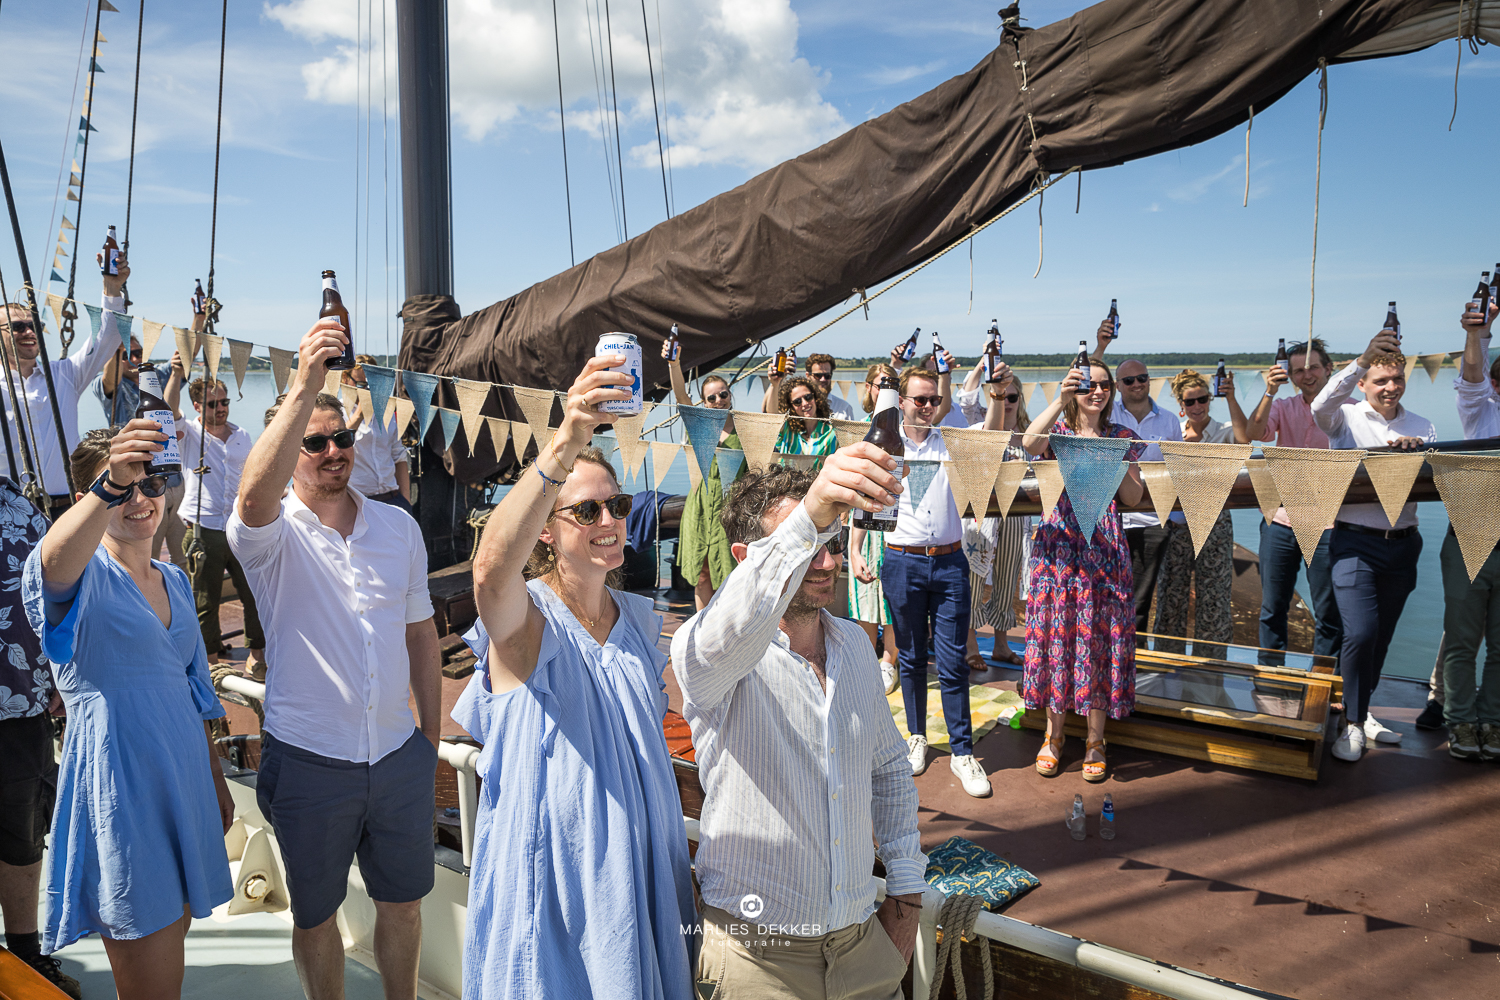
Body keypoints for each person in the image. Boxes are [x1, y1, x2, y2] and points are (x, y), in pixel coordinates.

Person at [454, 353, 695, 999]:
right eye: (585, 513)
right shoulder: (528, 621)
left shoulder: (643, 622)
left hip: (640, 875)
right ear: (546, 533)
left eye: (614, 506)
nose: (609, 521)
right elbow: (488, 574)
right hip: (558, 881)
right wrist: (567, 440)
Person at [228, 317, 441, 1000]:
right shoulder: (269, 536)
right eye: (313, 442)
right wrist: (304, 385)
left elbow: (420, 636)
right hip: (311, 762)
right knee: (315, 917)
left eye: (341, 438)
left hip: (396, 757)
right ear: (290, 449)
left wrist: (428, 740)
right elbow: (250, 498)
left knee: (404, 904)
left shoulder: (397, 527)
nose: (330, 452)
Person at [672, 457, 924, 1000]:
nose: (828, 561)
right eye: (807, 544)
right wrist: (809, 513)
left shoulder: (855, 646)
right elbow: (717, 639)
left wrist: (906, 899)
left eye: (831, 541)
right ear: (745, 558)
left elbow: (888, 769)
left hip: (862, 950)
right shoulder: (708, 651)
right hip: (754, 960)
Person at [22, 423, 234, 998]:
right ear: (89, 499)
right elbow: (50, 565)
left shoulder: (174, 579)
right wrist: (109, 485)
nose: (139, 499)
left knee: (173, 950)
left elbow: (194, 690)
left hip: (184, 783)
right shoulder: (79, 579)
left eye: (152, 483)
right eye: (119, 489)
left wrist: (215, 777)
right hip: (125, 790)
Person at [1312, 329, 1435, 763]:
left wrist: (1418, 453)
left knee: (1380, 638)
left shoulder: (1423, 427)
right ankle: (1349, 724)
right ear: (1364, 383)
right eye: (1381, 380)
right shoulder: (1345, 418)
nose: (1390, 387)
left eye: (1397, 379)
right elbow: (1319, 404)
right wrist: (1360, 360)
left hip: (1403, 544)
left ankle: (1363, 713)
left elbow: (1434, 477)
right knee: (1359, 633)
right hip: (1354, 542)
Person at [1022, 356, 1146, 782]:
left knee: (1101, 641)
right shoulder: (1058, 434)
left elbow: (1132, 498)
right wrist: (1059, 399)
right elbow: (1028, 443)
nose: (1098, 392)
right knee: (1059, 636)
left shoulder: (1123, 435)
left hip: (1106, 549)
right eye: (1089, 385)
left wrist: (1118, 461)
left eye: (1104, 386)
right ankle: (1053, 737)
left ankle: (1096, 739)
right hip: (1059, 547)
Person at [873, 366, 991, 797]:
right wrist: (856, 551)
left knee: (953, 659)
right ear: (901, 401)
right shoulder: (883, 442)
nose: (926, 407)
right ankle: (917, 736)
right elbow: (865, 504)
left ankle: (963, 752)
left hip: (949, 562)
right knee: (910, 657)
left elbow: (995, 428)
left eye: (933, 400)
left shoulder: (955, 442)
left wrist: (995, 387)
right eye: (919, 399)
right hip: (902, 561)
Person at [0, 477, 81, 999]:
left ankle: (25, 955)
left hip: (20, 704)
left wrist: (61, 670)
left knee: (22, 834)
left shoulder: (18, 506)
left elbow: (59, 592)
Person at [1239, 338, 1344, 665]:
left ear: (1329, 369)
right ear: (1291, 375)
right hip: (1281, 520)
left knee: (1329, 612)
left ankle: (1322, 684)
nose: (1307, 375)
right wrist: (1269, 391)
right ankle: (1270, 680)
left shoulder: (1351, 408)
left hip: (1331, 523)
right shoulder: (1283, 406)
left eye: (1314, 367)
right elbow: (1253, 433)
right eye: (1299, 370)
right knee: (1273, 608)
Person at [1, 260, 126, 509]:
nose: (29, 332)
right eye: (18, 327)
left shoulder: (65, 374)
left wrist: (112, 287)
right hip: (7, 510)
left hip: (64, 506)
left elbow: (108, 337)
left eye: (34, 325)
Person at [166, 368, 266, 678]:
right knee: (205, 601)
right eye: (212, 404)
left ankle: (257, 656)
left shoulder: (242, 436)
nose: (220, 408)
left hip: (238, 526)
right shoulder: (188, 434)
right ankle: (211, 662)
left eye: (224, 402)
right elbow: (167, 410)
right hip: (203, 529)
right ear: (197, 406)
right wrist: (175, 373)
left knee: (254, 593)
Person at [1152, 368, 1249, 655]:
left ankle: (1212, 663)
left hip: (1214, 521)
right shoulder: (1173, 435)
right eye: (1190, 402)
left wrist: (1230, 397)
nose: (1197, 407)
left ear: (1209, 399)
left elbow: (1245, 441)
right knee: (1171, 595)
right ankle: (1167, 660)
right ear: (1180, 406)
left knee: (1214, 597)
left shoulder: (1222, 432)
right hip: (1176, 523)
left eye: (1202, 400)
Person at [1092, 339, 1184, 634]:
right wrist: (1099, 347)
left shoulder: (1169, 421)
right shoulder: (1108, 418)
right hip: (1111, 521)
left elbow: (1178, 471)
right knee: (1107, 594)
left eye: (1142, 378)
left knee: (1141, 601)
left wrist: (1174, 519)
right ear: (1117, 386)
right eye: (1129, 380)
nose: (1137, 384)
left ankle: (1136, 664)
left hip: (1153, 521)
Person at [1442, 297, 1500, 760]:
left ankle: (1493, 719)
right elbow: (1471, 377)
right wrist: (1475, 334)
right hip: (1470, 540)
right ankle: (1460, 721)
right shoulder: (1481, 414)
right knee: (1462, 642)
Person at [665, 343, 743, 610]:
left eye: (722, 394)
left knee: (730, 576)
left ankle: (727, 638)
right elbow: (680, 396)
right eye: (711, 397)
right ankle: (702, 632)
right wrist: (674, 365)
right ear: (703, 402)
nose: (718, 400)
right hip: (699, 509)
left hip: (730, 510)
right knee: (702, 574)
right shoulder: (698, 426)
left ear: (730, 395)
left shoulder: (744, 428)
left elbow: (769, 412)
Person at [961, 363, 1029, 670]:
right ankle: (971, 642)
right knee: (975, 576)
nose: (1007, 401)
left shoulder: (1028, 436)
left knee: (1008, 577)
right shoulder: (981, 425)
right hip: (983, 512)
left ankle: (1001, 644)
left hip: (1018, 512)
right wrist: (981, 366)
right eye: (1001, 396)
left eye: (1012, 397)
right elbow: (965, 398)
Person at [848, 364, 902, 693]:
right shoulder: (861, 430)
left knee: (892, 602)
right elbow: (858, 493)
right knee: (865, 598)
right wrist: (853, 549)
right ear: (869, 388)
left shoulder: (902, 429)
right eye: (880, 384)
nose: (885, 389)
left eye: (891, 384)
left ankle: (888, 662)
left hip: (896, 528)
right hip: (866, 523)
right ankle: (867, 661)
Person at [342, 354, 413, 513]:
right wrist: (359, 415)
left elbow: (399, 457)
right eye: (361, 384)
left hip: (393, 498)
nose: (368, 390)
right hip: (357, 502)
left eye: (373, 384)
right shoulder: (338, 413)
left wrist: (406, 500)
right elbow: (338, 444)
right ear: (345, 380)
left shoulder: (386, 413)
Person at [763, 351, 856, 420]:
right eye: (818, 376)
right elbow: (772, 416)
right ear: (808, 376)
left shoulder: (844, 408)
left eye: (827, 376)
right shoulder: (797, 403)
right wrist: (775, 383)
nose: (823, 379)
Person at [774, 375, 838, 460]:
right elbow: (772, 414)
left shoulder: (833, 433)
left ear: (815, 397)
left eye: (808, 397)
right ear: (790, 406)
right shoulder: (786, 429)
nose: (804, 403)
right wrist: (774, 385)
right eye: (797, 401)